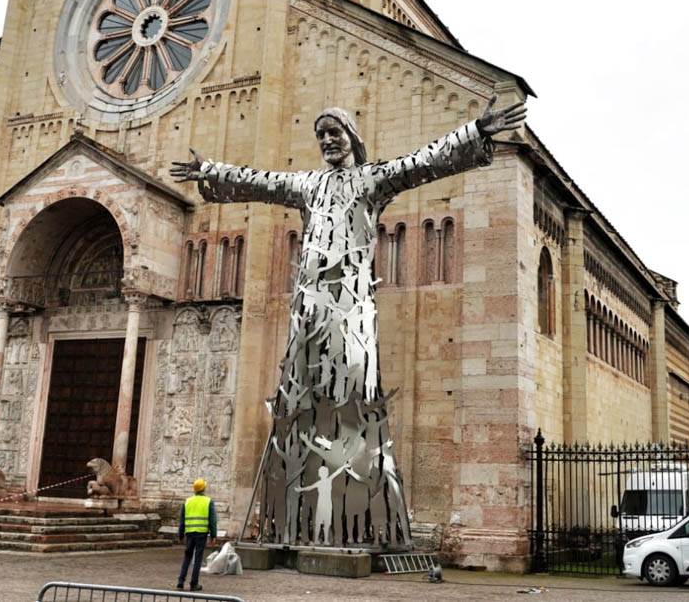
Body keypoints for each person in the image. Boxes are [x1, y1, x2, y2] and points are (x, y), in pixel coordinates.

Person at [171, 95, 526, 547]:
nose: (326, 141)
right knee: (297, 396)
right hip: (309, 306)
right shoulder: (308, 185)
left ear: (351, 137)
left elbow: (425, 161)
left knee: (351, 394)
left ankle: (356, 521)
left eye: (333, 133)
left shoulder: (371, 179)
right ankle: (289, 523)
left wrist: (475, 131)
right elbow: (259, 182)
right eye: (320, 135)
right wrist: (211, 173)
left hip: (351, 309)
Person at [177, 477, 216, 591]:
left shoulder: (187, 501)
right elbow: (212, 520)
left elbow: (182, 520)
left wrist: (180, 534)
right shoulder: (208, 501)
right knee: (198, 559)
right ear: (204, 489)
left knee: (187, 557)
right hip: (201, 533)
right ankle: (194, 583)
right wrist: (213, 536)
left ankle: (180, 581)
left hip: (189, 533)